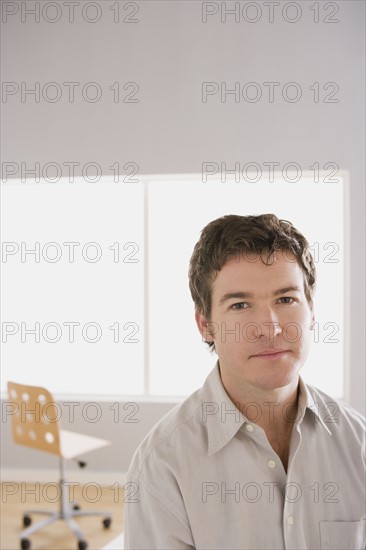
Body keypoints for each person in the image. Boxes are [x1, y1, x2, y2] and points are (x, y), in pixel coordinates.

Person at [124, 213, 365, 550]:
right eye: (240, 305)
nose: (270, 327)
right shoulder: (163, 464)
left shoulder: (359, 444)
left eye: (285, 299)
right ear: (206, 325)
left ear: (311, 310)